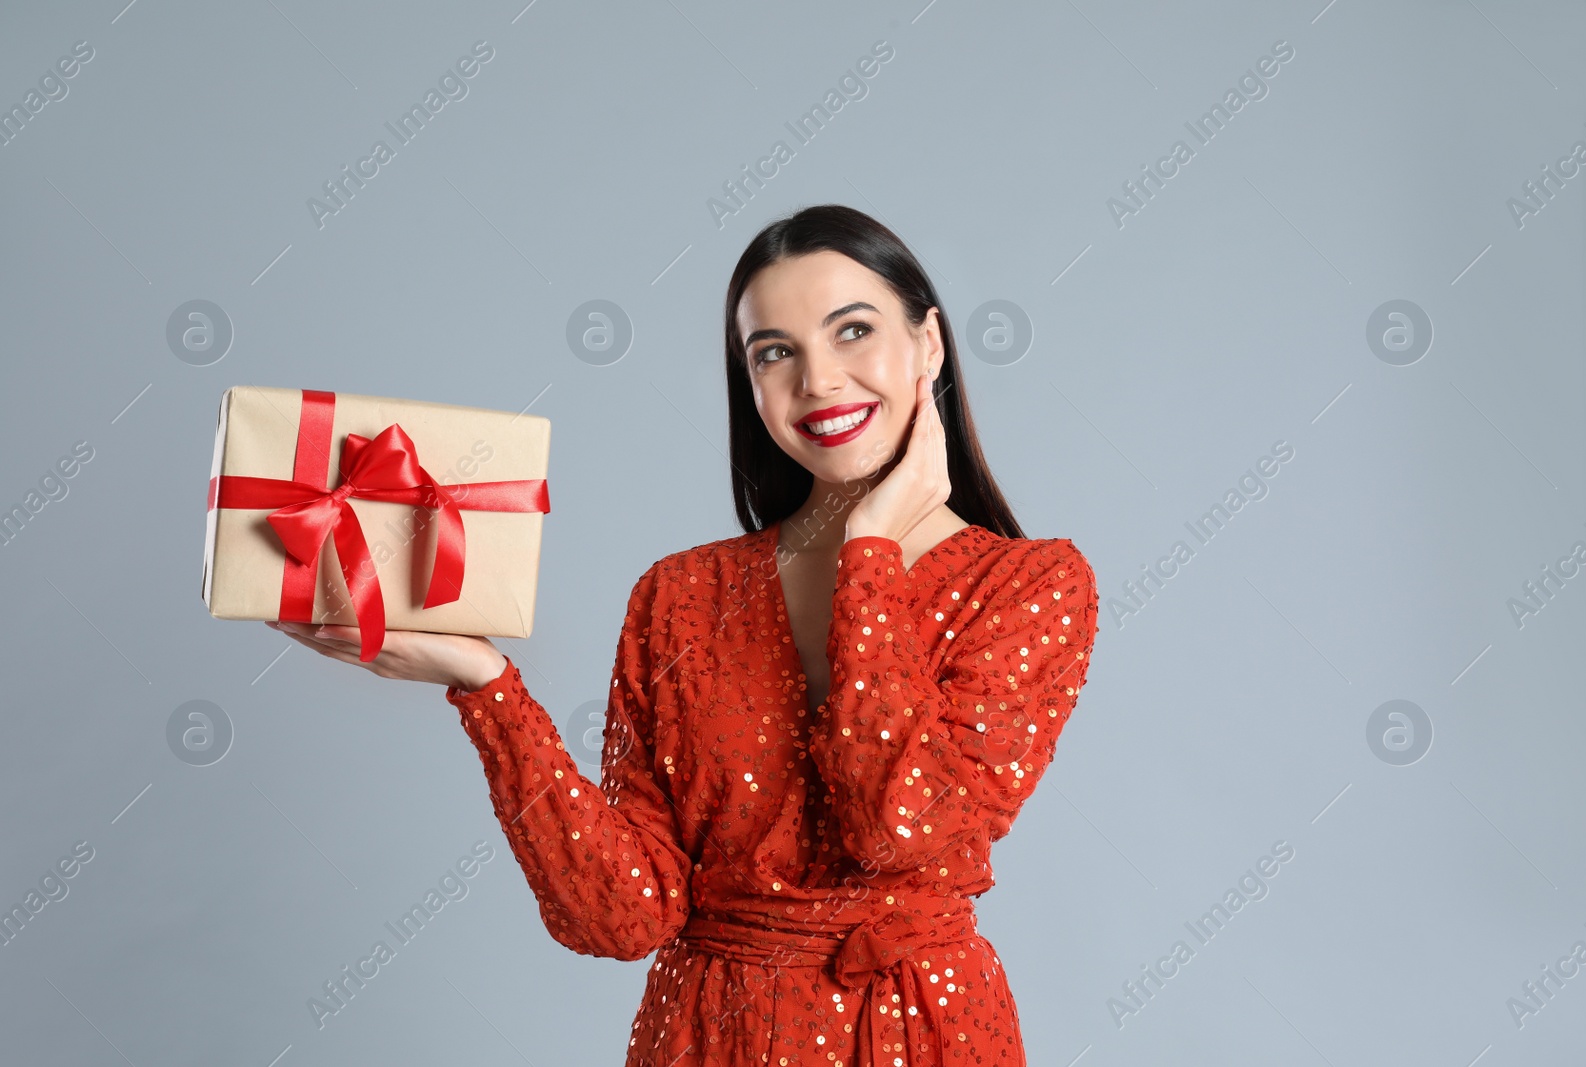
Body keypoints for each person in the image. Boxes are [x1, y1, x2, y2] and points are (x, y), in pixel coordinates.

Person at [270, 204, 1100, 1065]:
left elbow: (901, 827)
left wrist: (871, 546)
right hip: (707, 1035)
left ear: (929, 343)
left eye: (852, 330)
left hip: (919, 1033)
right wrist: (484, 683)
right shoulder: (681, 594)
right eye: (774, 352)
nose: (818, 380)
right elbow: (620, 915)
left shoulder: (1031, 583)